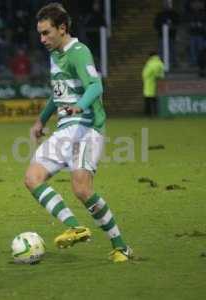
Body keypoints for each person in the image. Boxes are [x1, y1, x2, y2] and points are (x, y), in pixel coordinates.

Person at [24, 3, 133, 263]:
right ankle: (74, 226)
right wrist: (41, 120)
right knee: (32, 178)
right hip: (65, 128)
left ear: (62, 29)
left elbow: (95, 87)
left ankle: (121, 246)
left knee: (82, 190)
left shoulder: (78, 52)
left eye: (46, 33)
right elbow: (58, 93)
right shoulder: (55, 55)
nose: (42, 39)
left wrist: (79, 106)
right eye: (40, 34)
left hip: (86, 127)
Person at [142, 52, 165, 117]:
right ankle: (153, 114)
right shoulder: (157, 63)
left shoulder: (152, 63)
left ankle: (151, 115)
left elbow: (157, 75)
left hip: (152, 84)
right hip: (151, 84)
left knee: (150, 101)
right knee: (152, 101)